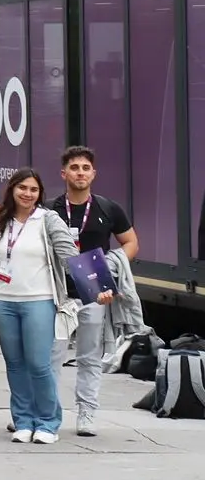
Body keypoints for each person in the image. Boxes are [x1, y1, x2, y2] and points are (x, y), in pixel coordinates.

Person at [0, 168, 79, 443]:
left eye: (34, 189)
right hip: (3, 301)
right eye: (22, 188)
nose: (27, 194)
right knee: (15, 365)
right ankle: (23, 421)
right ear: (12, 189)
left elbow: (71, 257)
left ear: (40, 193)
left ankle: (48, 423)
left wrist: (98, 286)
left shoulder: (48, 220)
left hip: (39, 300)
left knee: (38, 364)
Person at [47, 145, 138, 438]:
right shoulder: (49, 209)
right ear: (63, 174)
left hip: (94, 293)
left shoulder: (108, 208)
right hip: (59, 294)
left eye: (85, 168)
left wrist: (111, 268)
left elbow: (131, 243)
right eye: (74, 168)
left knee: (89, 357)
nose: (80, 173)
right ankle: (46, 412)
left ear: (94, 174)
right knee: (52, 356)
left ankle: (86, 412)